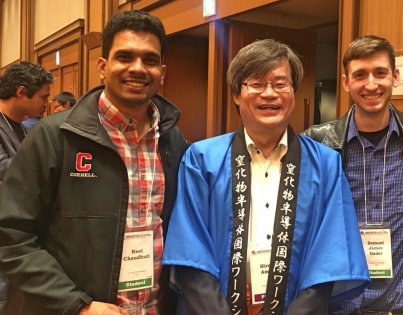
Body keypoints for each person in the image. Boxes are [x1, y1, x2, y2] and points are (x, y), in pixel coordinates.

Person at [0, 9, 188, 315]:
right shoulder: (54, 137)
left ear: (162, 72)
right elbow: (11, 236)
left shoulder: (172, 140)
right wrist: (76, 305)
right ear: (103, 66)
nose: (138, 68)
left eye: (150, 60)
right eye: (125, 57)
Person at [163, 38, 369, 315]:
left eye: (281, 84)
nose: (270, 94)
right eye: (257, 84)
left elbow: (330, 256)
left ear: (294, 92)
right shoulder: (201, 160)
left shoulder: (326, 164)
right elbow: (190, 252)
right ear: (237, 94)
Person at [303, 35, 403, 315]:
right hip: (335, 308)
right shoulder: (317, 145)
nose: (371, 84)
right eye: (360, 75)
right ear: (347, 82)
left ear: (395, 77)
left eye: (380, 73)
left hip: (400, 307)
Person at [0, 61, 53, 314]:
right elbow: (7, 170)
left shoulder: (20, 126)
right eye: (43, 97)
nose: (47, 104)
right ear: (21, 92)